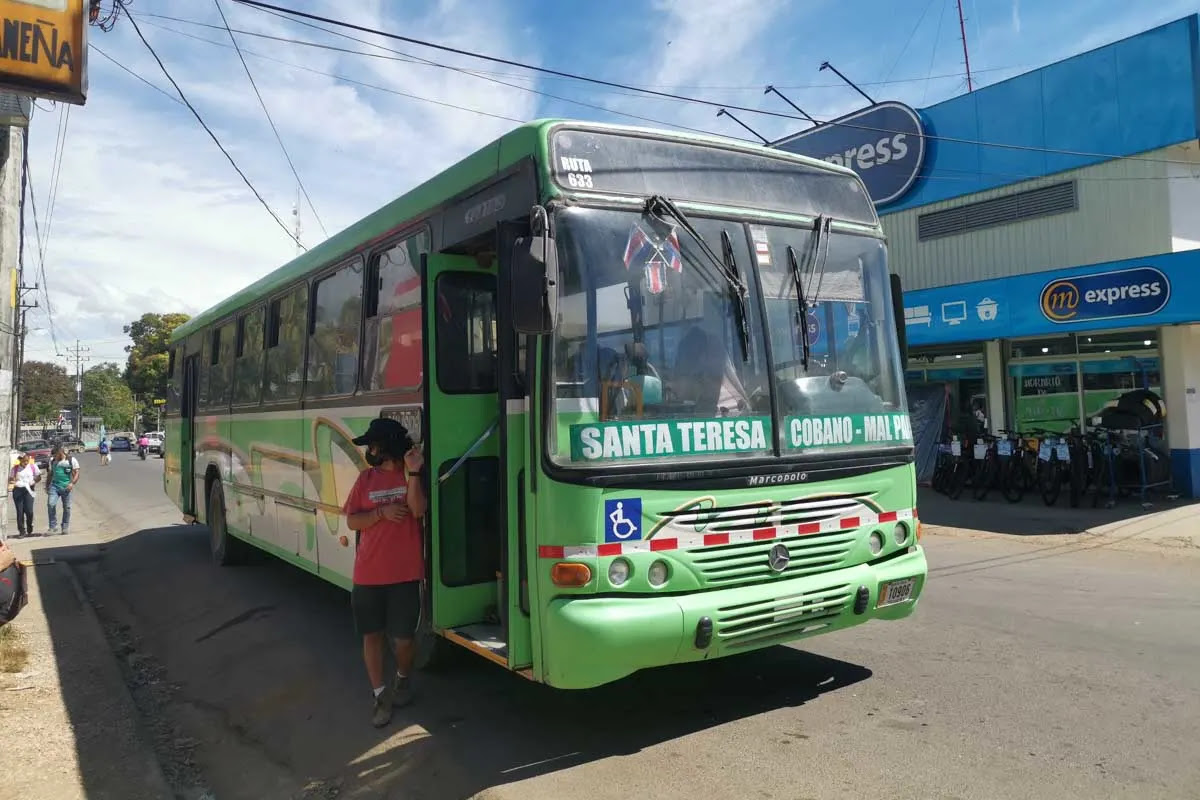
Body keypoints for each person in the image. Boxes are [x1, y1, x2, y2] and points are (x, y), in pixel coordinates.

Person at [341, 417, 426, 728]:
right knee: (372, 636)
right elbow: (352, 521)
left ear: (386, 446)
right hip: (367, 574)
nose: (370, 450)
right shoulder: (365, 480)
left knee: (404, 640)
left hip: (405, 574)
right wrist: (381, 513)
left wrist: (415, 471)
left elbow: (418, 510)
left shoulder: (409, 475)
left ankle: (402, 678)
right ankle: (380, 695)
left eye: (373, 445)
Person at [46, 446, 80, 535]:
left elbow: (76, 473)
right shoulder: (52, 460)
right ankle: (52, 527)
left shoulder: (71, 460)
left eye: (56, 455)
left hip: (66, 487)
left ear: (60, 452)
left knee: (67, 507)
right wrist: (47, 486)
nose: (55, 457)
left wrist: (72, 483)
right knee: (51, 504)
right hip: (54, 486)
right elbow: (50, 474)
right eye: (54, 455)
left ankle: (65, 527)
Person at [9, 453, 40, 538]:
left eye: (27, 461)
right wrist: (13, 480)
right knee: (20, 511)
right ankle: (22, 531)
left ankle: (30, 526)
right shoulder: (15, 469)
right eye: (24, 461)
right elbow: (11, 479)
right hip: (18, 491)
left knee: (29, 511)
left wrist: (34, 481)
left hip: (29, 490)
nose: (26, 463)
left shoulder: (33, 466)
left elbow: (39, 476)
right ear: (20, 460)